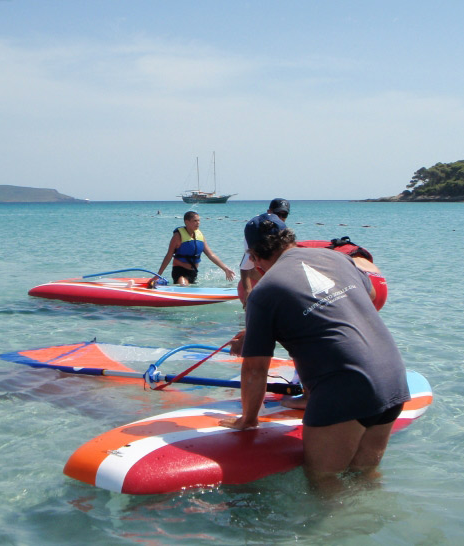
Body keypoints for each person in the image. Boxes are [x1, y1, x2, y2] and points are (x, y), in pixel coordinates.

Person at [219, 213, 410, 493]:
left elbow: (255, 370)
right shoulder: (337, 257)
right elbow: (366, 298)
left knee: (324, 481)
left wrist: (248, 420)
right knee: (364, 475)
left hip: (345, 390)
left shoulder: (264, 292)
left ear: (254, 257)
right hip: (393, 380)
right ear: (291, 240)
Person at [155, 211, 236, 286]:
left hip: (193, 272)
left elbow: (211, 255)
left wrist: (225, 269)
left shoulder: (200, 235)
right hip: (179, 271)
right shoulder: (177, 236)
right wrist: (158, 275)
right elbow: (168, 256)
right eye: (195, 221)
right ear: (187, 222)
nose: (198, 223)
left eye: (199, 221)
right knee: (183, 285)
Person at [238, 198, 290, 306]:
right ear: (269, 212)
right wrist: (247, 290)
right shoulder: (254, 232)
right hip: (255, 277)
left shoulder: (283, 232)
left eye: (284, 215)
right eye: (277, 214)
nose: (280, 218)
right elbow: (244, 266)